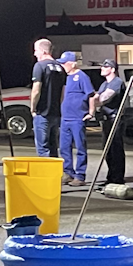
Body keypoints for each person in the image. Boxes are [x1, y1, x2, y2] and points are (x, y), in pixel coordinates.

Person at [56, 52, 95, 184]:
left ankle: (80, 175)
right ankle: (68, 173)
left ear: (72, 63)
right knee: (64, 147)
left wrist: (91, 112)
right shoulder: (65, 78)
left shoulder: (82, 77)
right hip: (65, 118)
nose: (62, 66)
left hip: (78, 118)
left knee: (80, 147)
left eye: (64, 63)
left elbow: (91, 95)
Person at [90, 58, 128, 186]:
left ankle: (117, 178)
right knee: (108, 150)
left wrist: (96, 99)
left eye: (105, 67)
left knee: (116, 150)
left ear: (112, 69)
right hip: (107, 120)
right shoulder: (104, 84)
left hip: (115, 119)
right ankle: (111, 177)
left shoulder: (116, 82)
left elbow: (103, 98)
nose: (102, 69)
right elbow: (97, 97)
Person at [27, 38, 63, 159]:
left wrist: (33, 108)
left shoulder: (39, 66)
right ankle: (55, 176)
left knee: (43, 148)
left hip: (42, 113)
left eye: (36, 50)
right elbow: (62, 92)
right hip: (56, 113)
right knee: (54, 147)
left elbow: (36, 90)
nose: (34, 53)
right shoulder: (60, 67)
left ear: (43, 51)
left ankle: (45, 176)